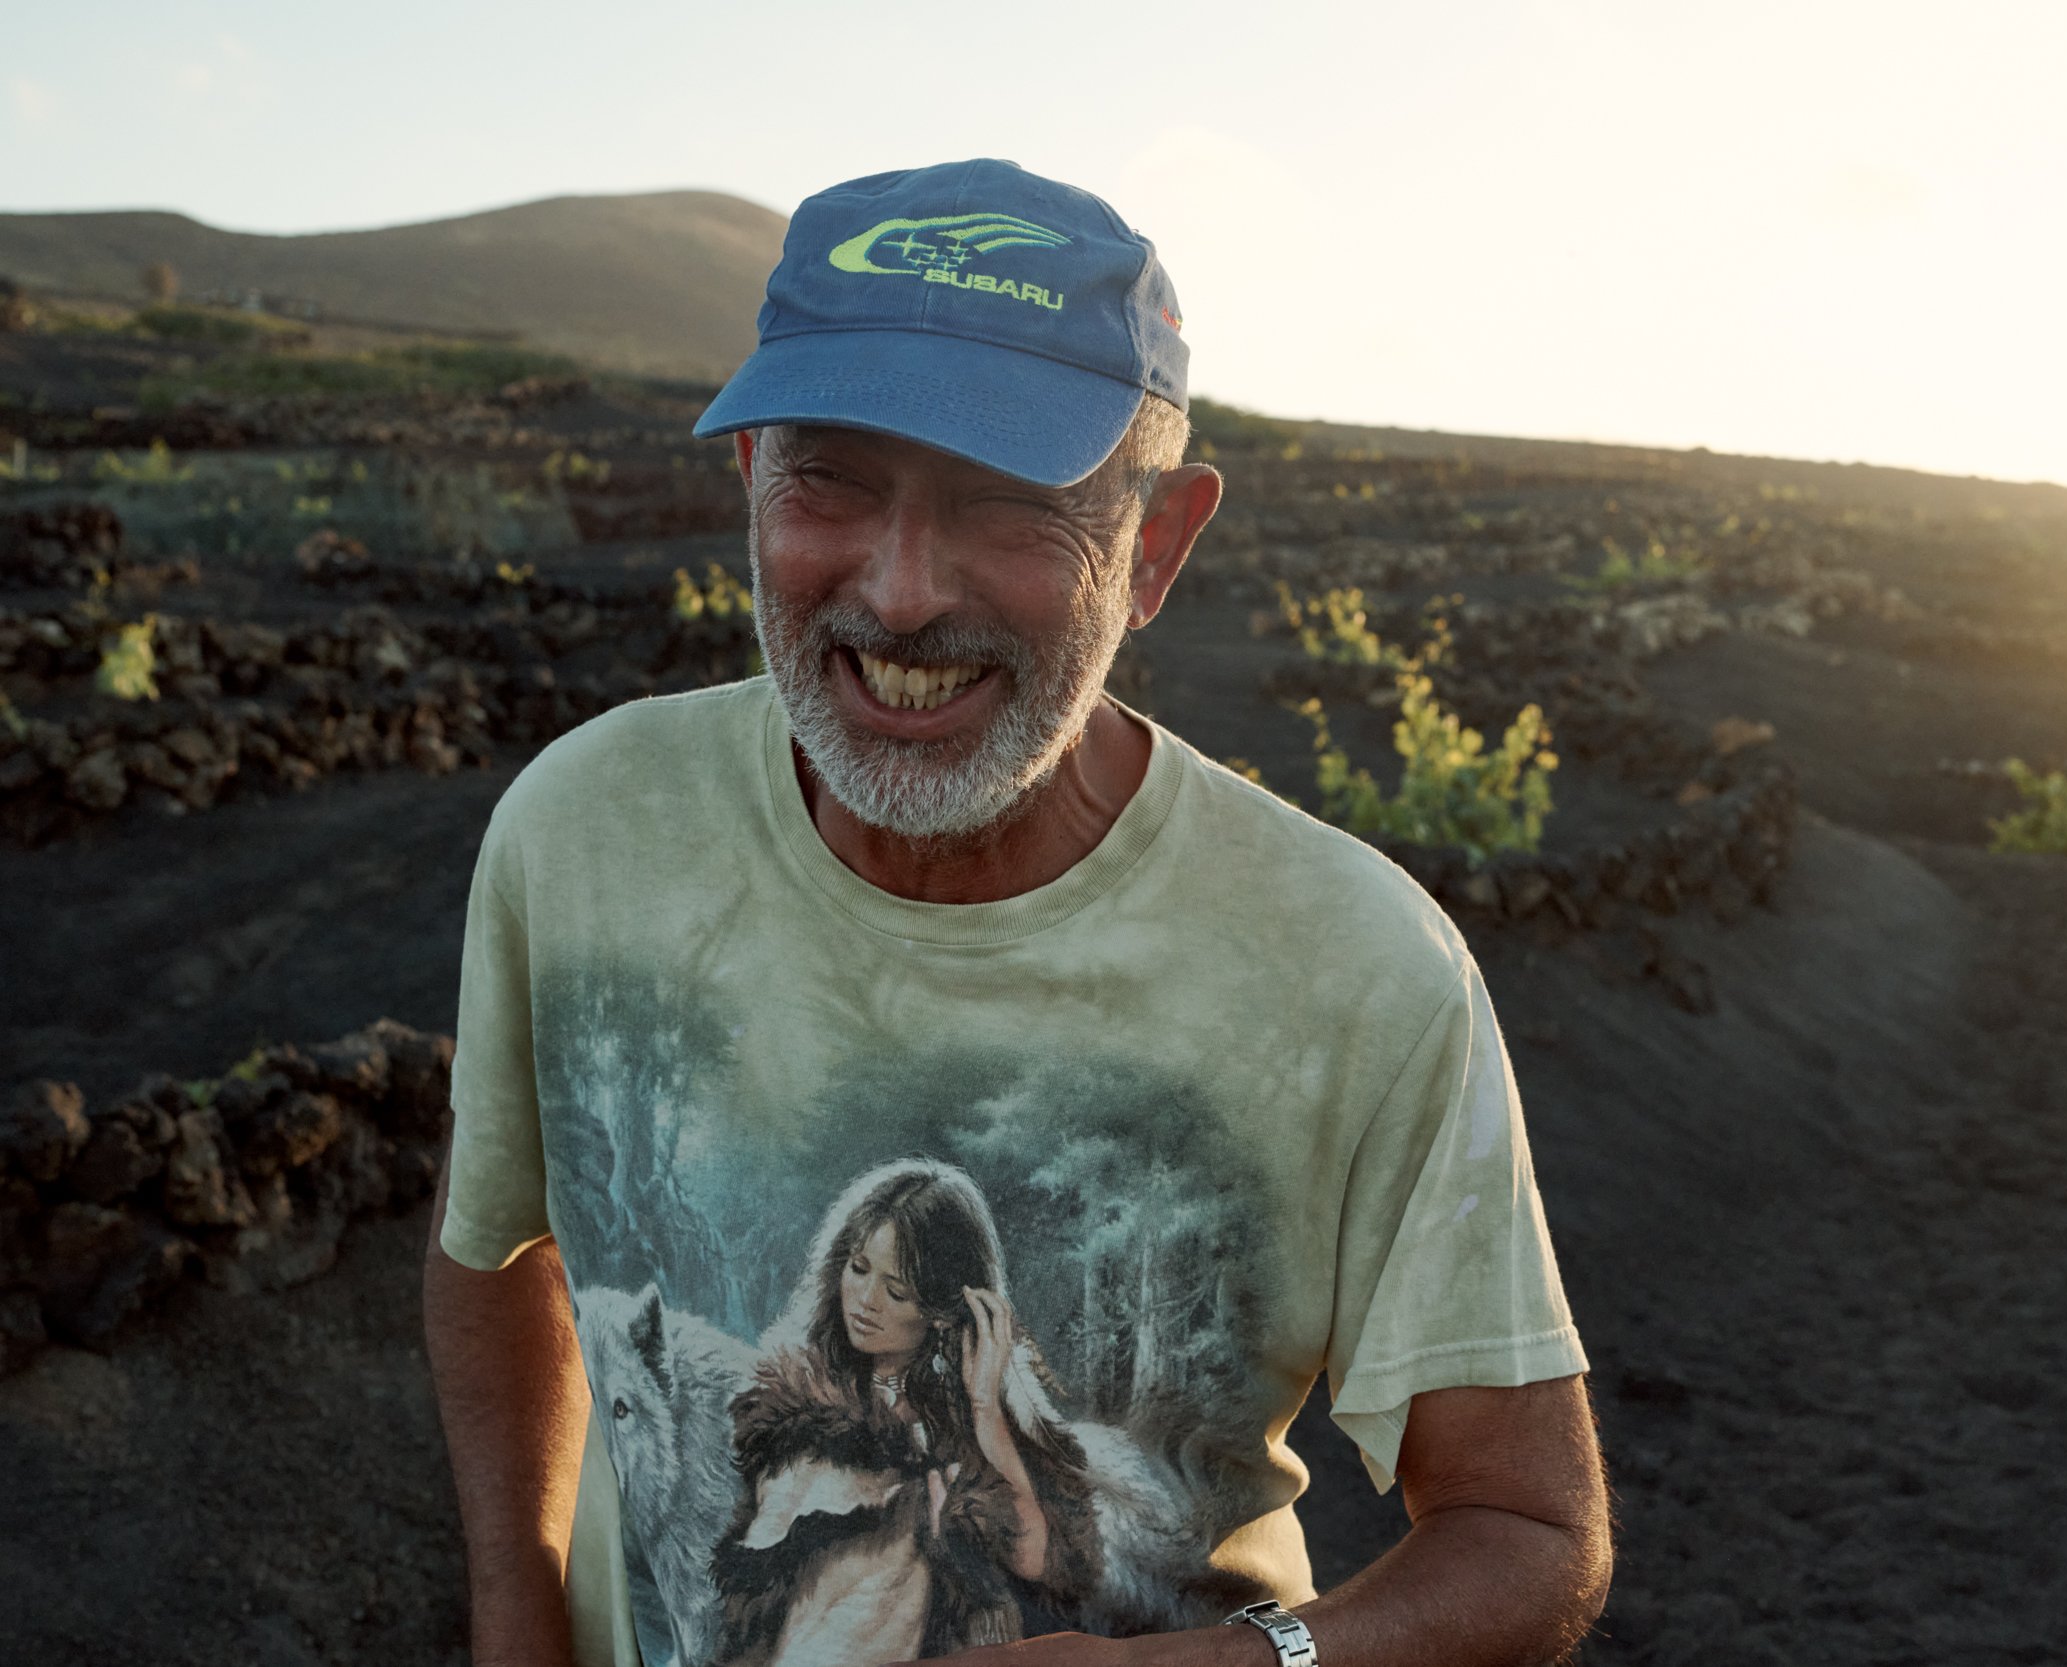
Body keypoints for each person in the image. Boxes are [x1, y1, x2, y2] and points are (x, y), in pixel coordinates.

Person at [423, 157, 1609, 1667]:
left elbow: (1528, 1531)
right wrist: (517, 1615)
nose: (903, 589)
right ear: (748, 485)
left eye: (1008, 506)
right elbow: (494, 1245)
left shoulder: (1353, 966)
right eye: (830, 479)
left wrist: (1242, 1666)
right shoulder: (585, 829)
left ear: (1156, 545)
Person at [713, 1160, 1106, 1662]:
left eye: (896, 1291)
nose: (865, 1300)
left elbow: (1035, 1559)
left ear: (941, 1313)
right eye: (858, 1269)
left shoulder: (965, 1422)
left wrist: (986, 1410)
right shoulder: (794, 1401)